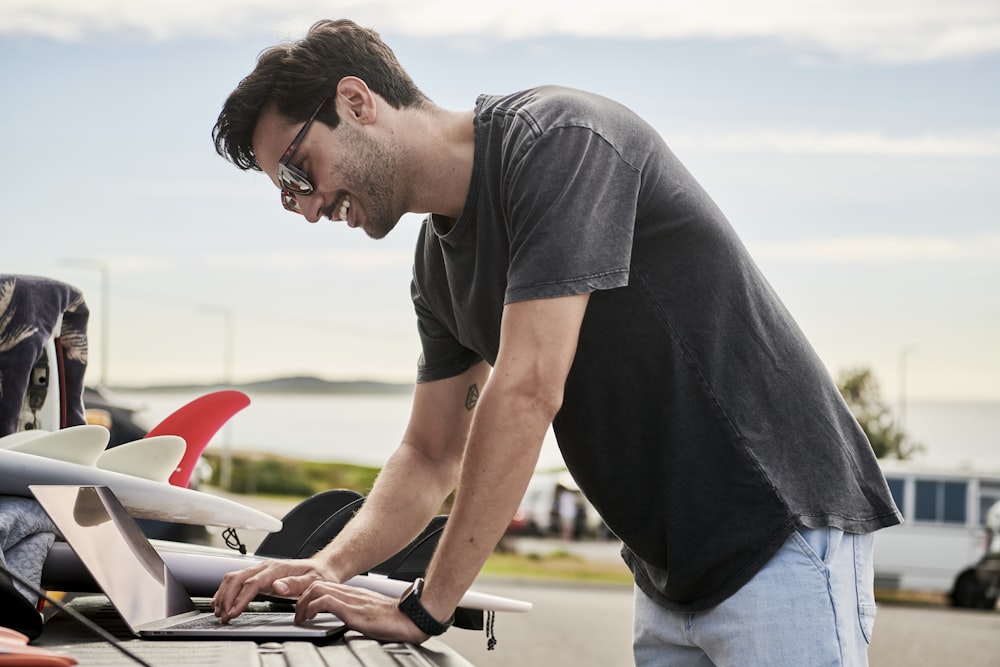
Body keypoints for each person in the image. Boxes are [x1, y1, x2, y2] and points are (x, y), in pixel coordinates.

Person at [210, 19, 902, 665]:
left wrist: (427, 606)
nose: (306, 207)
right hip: (669, 576)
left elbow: (529, 385)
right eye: (286, 194)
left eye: (299, 172)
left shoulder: (558, 142)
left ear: (357, 101)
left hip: (779, 530)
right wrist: (328, 563)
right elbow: (429, 452)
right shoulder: (435, 267)